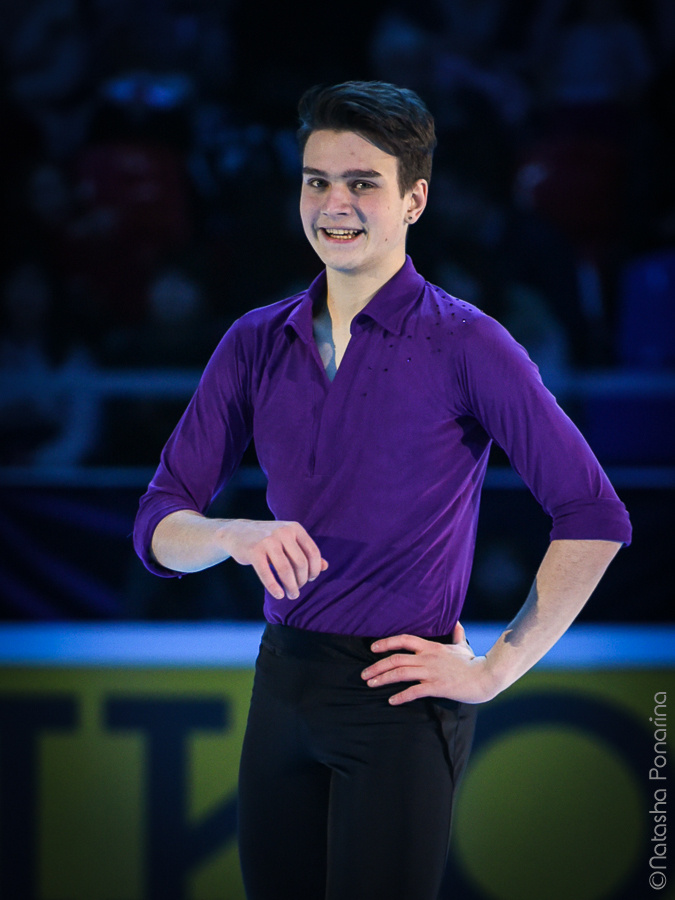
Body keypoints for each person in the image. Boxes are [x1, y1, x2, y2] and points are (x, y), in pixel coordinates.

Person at [133, 80, 631, 900]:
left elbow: (593, 515)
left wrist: (495, 670)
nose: (334, 203)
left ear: (414, 200)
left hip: (400, 697)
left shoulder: (468, 342)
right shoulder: (255, 340)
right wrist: (231, 536)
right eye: (316, 180)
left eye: (362, 183)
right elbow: (157, 523)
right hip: (282, 680)